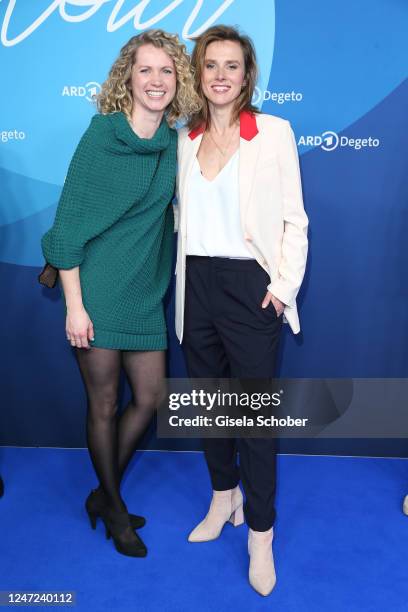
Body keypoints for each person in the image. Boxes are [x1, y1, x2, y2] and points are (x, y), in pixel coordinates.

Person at [40, 30, 199, 558]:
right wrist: (76, 307)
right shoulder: (102, 136)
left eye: (167, 71)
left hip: (143, 292)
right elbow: (65, 229)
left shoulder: (173, 143)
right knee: (104, 404)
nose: (156, 81)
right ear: (127, 78)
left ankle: (101, 495)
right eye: (145, 70)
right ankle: (112, 507)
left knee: (149, 399)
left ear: (179, 82)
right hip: (97, 292)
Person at [175, 25, 308, 595]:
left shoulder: (274, 133)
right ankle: (222, 496)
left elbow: (295, 222)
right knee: (210, 406)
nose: (221, 75)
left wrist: (281, 289)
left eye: (232, 65)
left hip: (249, 286)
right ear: (199, 74)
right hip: (195, 284)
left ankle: (260, 533)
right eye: (211, 65)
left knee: (252, 418)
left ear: (247, 75)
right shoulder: (183, 136)